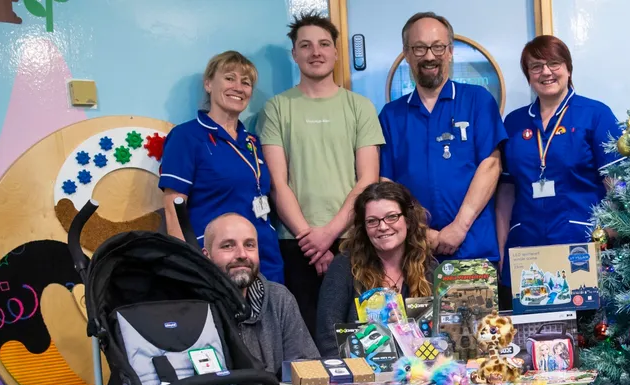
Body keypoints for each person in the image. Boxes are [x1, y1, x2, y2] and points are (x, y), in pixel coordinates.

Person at [258, 11, 385, 333]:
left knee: (359, 336)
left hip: (352, 238)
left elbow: (368, 180)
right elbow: (277, 183)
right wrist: (310, 240)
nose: (316, 52)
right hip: (294, 241)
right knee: (303, 339)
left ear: (336, 52)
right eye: (306, 45)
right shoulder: (277, 108)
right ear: (295, 54)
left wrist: (328, 235)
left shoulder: (360, 107)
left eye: (324, 44)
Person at [378, 12, 506, 263]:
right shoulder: (391, 115)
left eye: (438, 47)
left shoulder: (477, 101)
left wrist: (459, 227)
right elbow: (386, 183)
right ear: (406, 53)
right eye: (419, 48)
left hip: (472, 249)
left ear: (450, 51)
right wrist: (419, 232)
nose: (429, 56)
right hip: (411, 253)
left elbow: (491, 165)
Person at [496, 35, 618, 300]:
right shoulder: (514, 122)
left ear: (568, 68)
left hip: (582, 244)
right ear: (528, 74)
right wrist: (502, 245)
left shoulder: (595, 114)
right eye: (536, 66)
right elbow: (506, 191)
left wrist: (611, 236)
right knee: (532, 334)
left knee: (585, 329)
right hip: (526, 248)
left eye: (554, 63)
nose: (546, 72)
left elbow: (616, 185)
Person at [159, 51, 284, 283]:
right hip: (214, 263)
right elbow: (172, 208)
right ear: (208, 84)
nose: (239, 87)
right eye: (229, 78)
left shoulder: (252, 142)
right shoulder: (187, 136)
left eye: (246, 82)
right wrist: (185, 265)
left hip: (264, 259)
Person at [314, 181, 434, 357]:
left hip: (420, 376)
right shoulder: (344, 267)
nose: (383, 226)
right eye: (372, 221)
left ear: (407, 220)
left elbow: (443, 337)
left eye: (392, 217)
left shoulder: (428, 267)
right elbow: (327, 338)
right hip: (360, 377)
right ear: (364, 227)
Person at [202, 213, 319, 378]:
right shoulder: (192, 305)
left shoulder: (279, 299)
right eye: (228, 246)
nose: (242, 254)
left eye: (249, 245)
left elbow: (307, 366)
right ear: (206, 256)